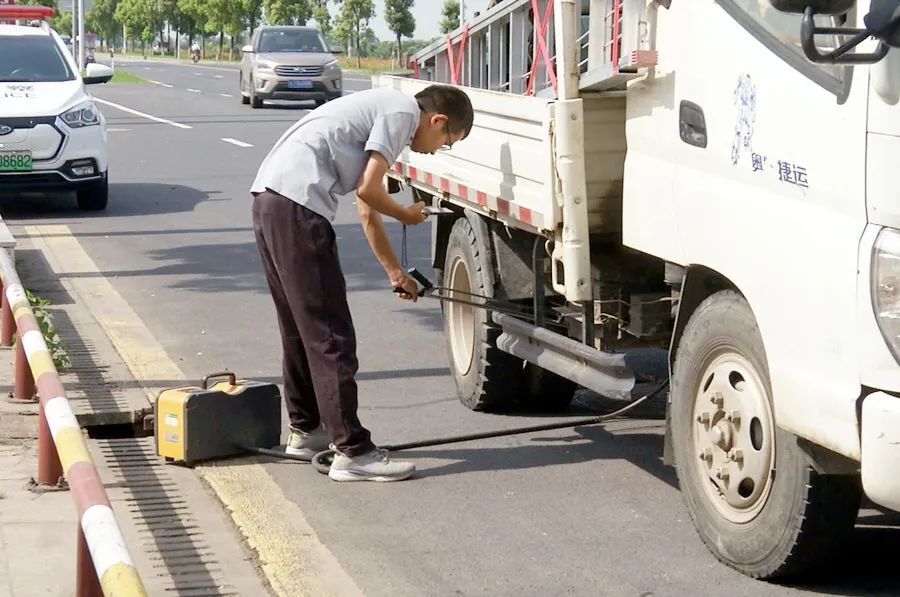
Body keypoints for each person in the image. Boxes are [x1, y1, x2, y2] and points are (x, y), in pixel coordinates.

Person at [250, 85, 474, 482]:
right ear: (437, 120)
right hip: (298, 207)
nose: (437, 150)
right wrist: (406, 215)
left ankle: (307, 431)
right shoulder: (403, 113)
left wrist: (395, 273)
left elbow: (366, 208)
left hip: (272, 200)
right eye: (446, 141)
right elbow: (369, 190)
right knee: (330, 334)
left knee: (301, 329)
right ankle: (353, 452)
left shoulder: (382, 113)